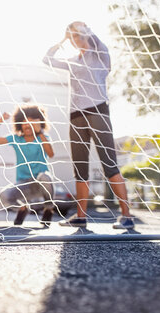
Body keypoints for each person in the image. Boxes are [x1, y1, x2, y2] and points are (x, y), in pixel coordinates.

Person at [43, 21, 135, 229]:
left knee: (109, 165)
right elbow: (47, 59)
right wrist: (64, 39)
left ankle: (127, 216)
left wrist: (82, 29)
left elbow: (92, 38)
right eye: (74, 37)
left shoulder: (100, 54)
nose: (77, 39)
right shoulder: (73, 61)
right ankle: (81, 216)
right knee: (80, 169)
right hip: (76, 116)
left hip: (97, 112)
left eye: (79, 35)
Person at [0, 105, 55, 226]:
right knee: (3, 196)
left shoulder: (43, 137)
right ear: (19, 124)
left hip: (41, 182)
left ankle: (49, 209)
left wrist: (40, 132)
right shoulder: (16, 139)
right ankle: (23, 208)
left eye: (31, 121)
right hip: (24, 183)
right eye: (24, 122)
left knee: (46, 177)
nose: (27, 125)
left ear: (38, 123)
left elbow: (51, 154)